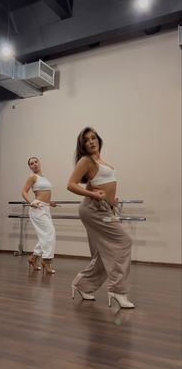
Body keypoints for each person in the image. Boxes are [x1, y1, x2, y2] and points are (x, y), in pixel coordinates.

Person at [67, 127, 134, 308]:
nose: (91, 141)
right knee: (124, 240)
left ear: (98, 140)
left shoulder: (100, 161)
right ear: (83, 145)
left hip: (106, 208)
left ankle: (82, 285)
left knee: (106, 250)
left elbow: (101, 185)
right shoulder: (86, 160)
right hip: (93, 208)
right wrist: (95, 196)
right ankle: (118, 290)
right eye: (87, 140)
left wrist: (112, 201)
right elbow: (71, 185)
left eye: (93, 138)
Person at [22, 157, 56, 274]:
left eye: (36, 162)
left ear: (39, 163)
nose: (34, 164)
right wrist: (31, 202)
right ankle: (46, 260)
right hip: (38, 208)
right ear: (30, 167)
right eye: (31, 164)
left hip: (46, 207)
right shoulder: (32, 177)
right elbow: (23, 192)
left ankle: (33, 258)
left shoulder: (44, 178)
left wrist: (50, 202)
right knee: (50, 233)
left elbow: (45, 193)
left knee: (46, 235)